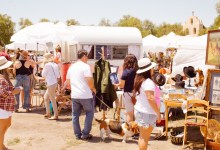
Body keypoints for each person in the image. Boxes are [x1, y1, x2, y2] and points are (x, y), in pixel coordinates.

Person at [66, 49, 96, 140]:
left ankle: (77, 134)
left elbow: (68, 82)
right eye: (87, 56)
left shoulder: (71, 67)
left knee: (75, 115)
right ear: (84, 56)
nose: (87, 58)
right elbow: (89, 80)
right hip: (85, 95)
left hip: (75, 95)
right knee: (89, 113)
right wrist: (93, 88)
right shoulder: (85, 66)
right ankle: (85, 134)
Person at [133, 58, 161, 150]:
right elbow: (150, 98)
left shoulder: (140, 80)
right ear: (149, 70)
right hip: (147, 113)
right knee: (144, 138)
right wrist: (158, 113)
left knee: (142, 137)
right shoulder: (148, 82)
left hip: (141, 111)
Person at [0, 56, 20, 150]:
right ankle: (1, 146)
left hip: (6, 107)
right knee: (2, 128)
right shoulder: (1, 78)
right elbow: (2, 93)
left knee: (6, 125)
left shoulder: (4, 78)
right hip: (2, 107)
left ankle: (1, 145)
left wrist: (15, 89)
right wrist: (14, 91)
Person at [114, 54, 138, 122]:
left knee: (129, 113)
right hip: (137, 93)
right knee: (137, 113)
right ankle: (137, 129)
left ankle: (130, 130)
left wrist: (116, 85)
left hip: (128, 94)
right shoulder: (138, 71)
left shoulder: (126, 71)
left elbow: (122, 85)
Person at [42, 53, 60, 120]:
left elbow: (43, 74)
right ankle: (48, 113)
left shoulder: (47, 65)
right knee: (46, 97)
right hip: (54, 83)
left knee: (52, 99)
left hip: (50, 83)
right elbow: (58, 76)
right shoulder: (55, 64)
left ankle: (55, 115)